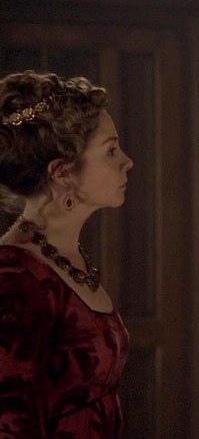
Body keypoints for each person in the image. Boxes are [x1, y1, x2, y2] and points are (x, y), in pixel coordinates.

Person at [0, 70, 133, 438]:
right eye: (111, 151)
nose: (127, 162)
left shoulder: (66, 257)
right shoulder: (14, 278)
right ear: (63, 173)